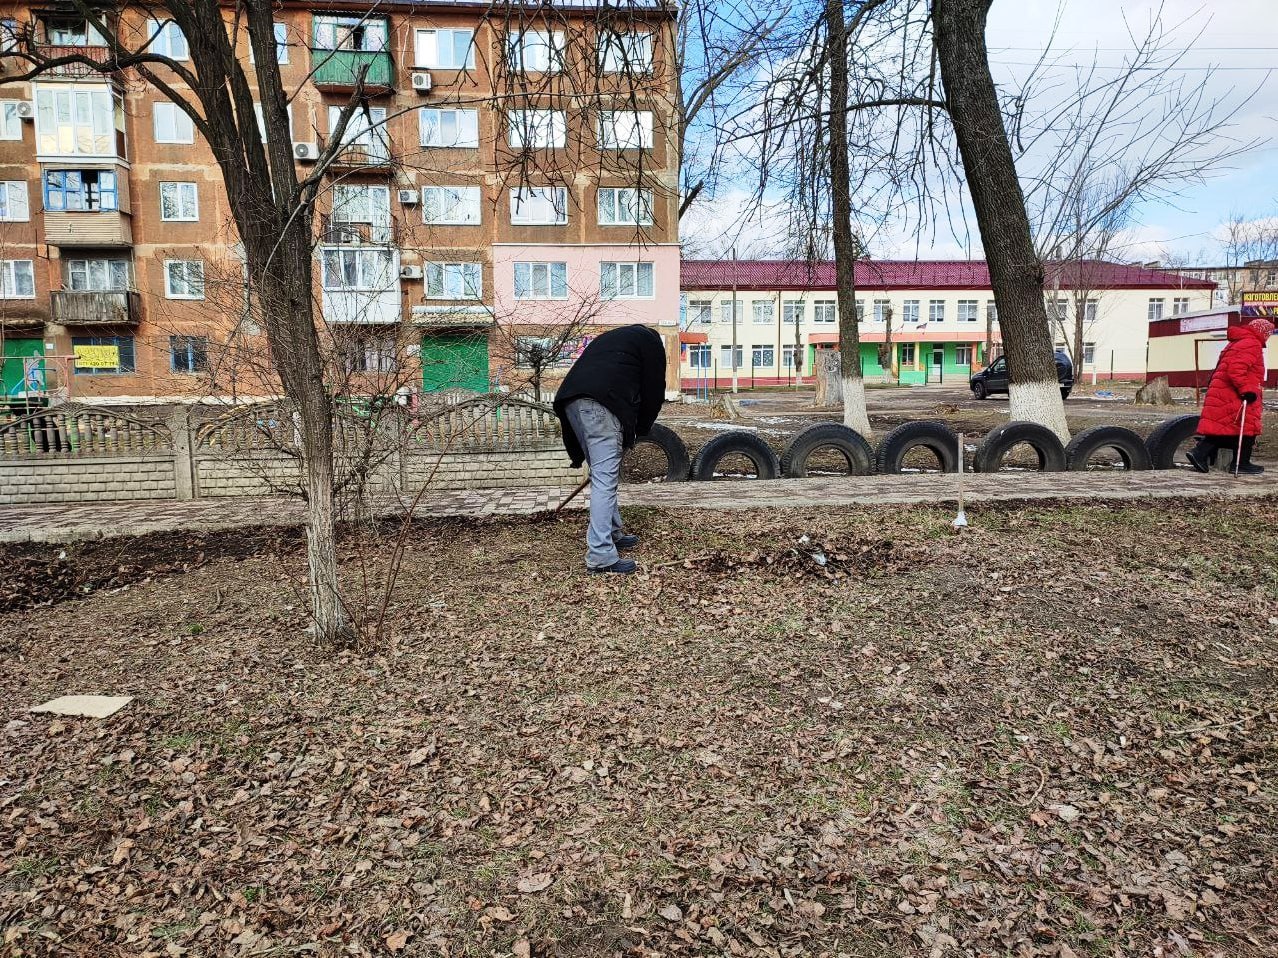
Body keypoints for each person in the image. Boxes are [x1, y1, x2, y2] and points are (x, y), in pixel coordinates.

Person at [553, 325, 666, 574]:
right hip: (601, 403)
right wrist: (641, 429)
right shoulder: (651, 343)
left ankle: (613, 532)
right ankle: (601, 555)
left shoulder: (613, 340)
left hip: (571, 401)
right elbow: (654, 390)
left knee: (601, 474)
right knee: (605, 480)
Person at [1187, 317, 1273, 475]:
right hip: (1234, 393)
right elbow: (1236, 369)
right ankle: (1240, 463)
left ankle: (1200, 453)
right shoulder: (1252, 343)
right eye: (1268, 333)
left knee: (1226, 426)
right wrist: (1246, 389)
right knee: (1247, 428)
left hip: (1224, 391)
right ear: (1262, 332)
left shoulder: (1238, 342)